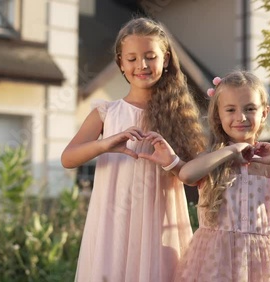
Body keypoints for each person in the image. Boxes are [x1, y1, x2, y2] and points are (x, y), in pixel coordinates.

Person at [61, 17, 205, 282]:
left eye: (151, 56)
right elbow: (68, 158)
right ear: (121, 63)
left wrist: (172, 162)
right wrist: (105, 144)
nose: (142, 65)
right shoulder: (105, 113)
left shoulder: (178, 114)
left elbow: (195, 176)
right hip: (113, 218)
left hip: (159, 221)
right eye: (132, 58)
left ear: (165, 59)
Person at [173, 71, 270, 282]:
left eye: (250, 109)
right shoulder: (212, 158)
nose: (240, 117)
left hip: (259, 265)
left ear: (264, 113)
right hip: (214, 263)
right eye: (230, 110)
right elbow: (186, 175)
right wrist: (231, 151)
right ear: (218, 115)